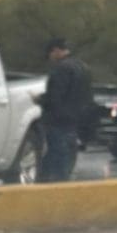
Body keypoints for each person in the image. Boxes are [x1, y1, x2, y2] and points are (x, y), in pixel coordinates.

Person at [37, 38, 93, 183]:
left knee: (56, 153)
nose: (50, 58)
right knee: (69, 152)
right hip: (76, 119)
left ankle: (50, 183)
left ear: (56, 51)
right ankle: (64, 182)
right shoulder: (82, 66)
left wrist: (40, 100)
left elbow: (56, 96)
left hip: (57, 119)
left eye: (50, 54)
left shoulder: (61, 69)